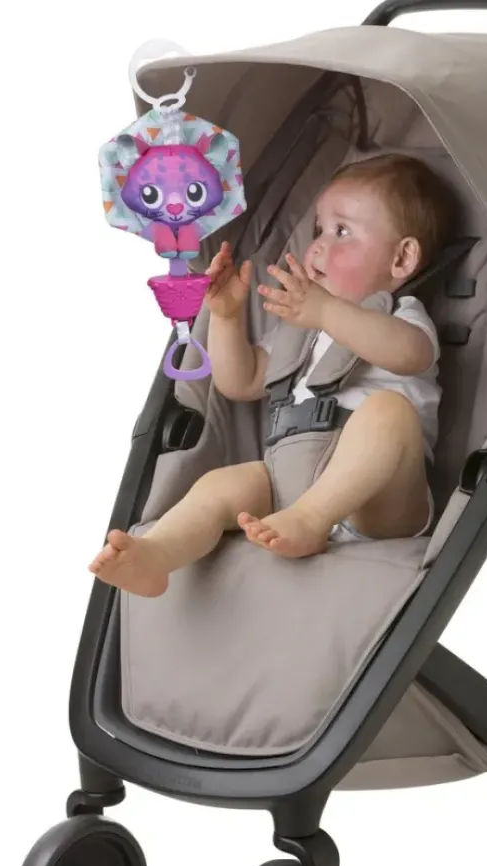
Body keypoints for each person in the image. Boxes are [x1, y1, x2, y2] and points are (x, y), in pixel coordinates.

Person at [90, 153, 453, 598]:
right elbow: (239, 382)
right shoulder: (300, 335)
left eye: (341, 231)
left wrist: (327, 311)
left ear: (402, 258)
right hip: (290, 484)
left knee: (389, 414)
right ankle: (158, 554)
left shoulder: (401, 316)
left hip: (379, 504)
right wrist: (226, 317)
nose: (317, 246)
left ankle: (313, 519)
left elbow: (410, 354)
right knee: (220, 484)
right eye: (318, 230)